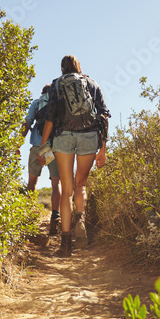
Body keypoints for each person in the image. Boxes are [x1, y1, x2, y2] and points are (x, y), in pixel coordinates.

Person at [39, 55, 110, 258]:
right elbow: (104, 115)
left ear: (62, 68)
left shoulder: (56, 84)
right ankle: (80, 219)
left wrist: (43, 147)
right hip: (88, 136)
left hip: (63, 138)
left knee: (66, 191)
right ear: (79, 67)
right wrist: (103, 149)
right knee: (81, 185)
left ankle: (65, 245)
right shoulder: (91, 83)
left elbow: (50, 117)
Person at [21, 84, 61, 235]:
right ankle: (55, 218)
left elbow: (28, 121)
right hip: (54, 147)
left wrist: (17, 144)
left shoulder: (37, 103)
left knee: (32, 182)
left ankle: (28, 217)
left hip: (38, 146)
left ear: (42, 92)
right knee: (56, 183)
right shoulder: (59, 103)